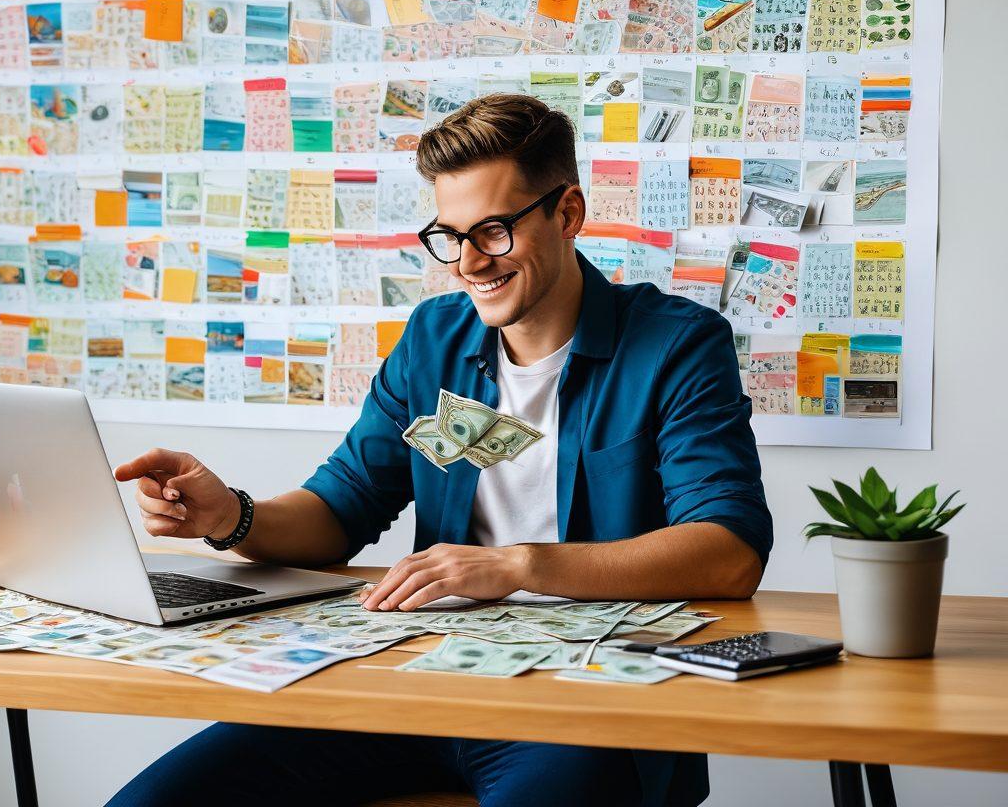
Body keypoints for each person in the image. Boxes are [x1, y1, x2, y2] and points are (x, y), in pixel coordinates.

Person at [106, 93, 773, 807]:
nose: (468, 263)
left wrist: (515, 566)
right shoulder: (434, 338)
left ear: (568, 213)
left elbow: (729, 551)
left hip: (586, 703)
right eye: (449, 236)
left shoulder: (676, 346)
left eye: (493, 232)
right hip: (418, 678)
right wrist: (231, 517)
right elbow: (342, 507)